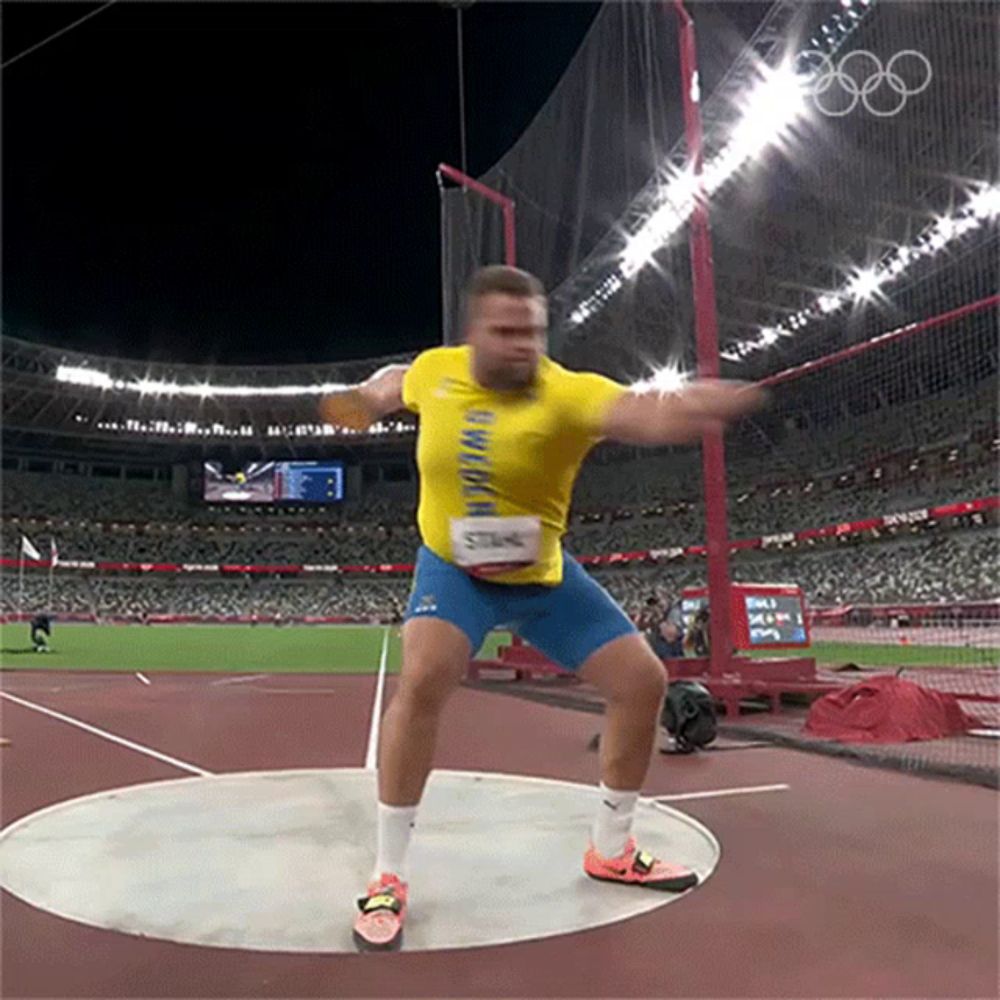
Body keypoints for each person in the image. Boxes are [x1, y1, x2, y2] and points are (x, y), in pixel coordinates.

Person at [319, 265, 764, 952]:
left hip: (539, 574)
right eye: (505, 332)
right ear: (475, 335)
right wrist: (368, 398)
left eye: (532, 330)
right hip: (454, 569)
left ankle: (611, 848)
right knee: (428, 674)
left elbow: (640, 411)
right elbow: (394, 375)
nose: (522, 344)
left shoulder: (566, 393)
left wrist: (703, 403)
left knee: (643, 682)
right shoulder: (438, 373)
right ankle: (388, 876)